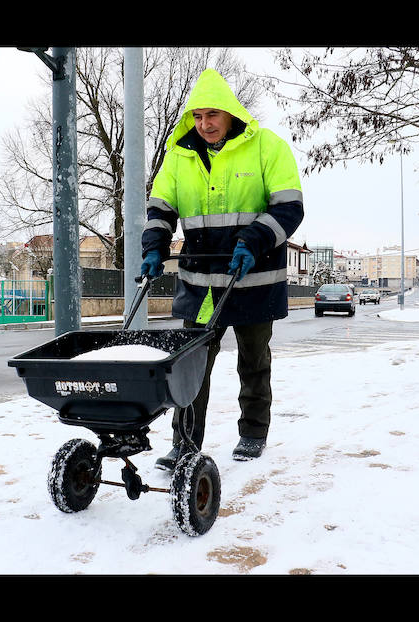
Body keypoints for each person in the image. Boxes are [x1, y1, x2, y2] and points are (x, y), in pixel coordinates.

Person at [140, 68, 304, 467]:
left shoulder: (266, 147)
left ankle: (252, 433)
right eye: (197, 116)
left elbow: (289, 207)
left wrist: (253, 241)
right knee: (191, 367)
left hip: (254, 280)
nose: (205, 123)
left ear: (230, 113)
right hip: (202, 285)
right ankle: (184, 443)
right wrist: (154, 247)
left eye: (212, 114)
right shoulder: (179, 156)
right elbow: (161, 209)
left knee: (253, 362)